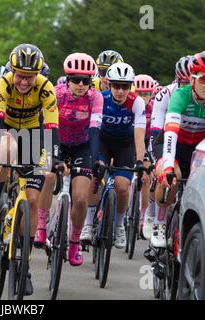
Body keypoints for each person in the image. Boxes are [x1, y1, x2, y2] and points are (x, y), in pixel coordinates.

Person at [0, 43, 60, 295]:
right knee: (4, 151)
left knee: (33, 200)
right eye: (20, 75)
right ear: (12, 71)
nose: (24, 81)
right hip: (5, 130)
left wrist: (54, 159)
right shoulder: (2, 84)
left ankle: (24, 266)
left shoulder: (46, 88)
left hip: (33, 134)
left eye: (29, 76)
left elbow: (51, 127)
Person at [35, 53, 103, 267]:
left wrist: (95, 159)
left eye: (86, 81)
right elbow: (46, 126)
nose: (81, 85)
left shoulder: (95, 98)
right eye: (76, 80)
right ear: (67, 79)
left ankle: (74, 242)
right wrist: (52, 156)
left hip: (81, 146)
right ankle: (41, 225)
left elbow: (94, 131)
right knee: (47, 175)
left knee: (81, 199)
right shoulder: (55, 94)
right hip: (56, 141)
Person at [152, 51, 205, 248]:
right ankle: (158, 223)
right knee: (173, 176)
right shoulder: (180, 96)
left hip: (198, 149)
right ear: (192, 79)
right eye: (204, 79)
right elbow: (170, 135)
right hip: (172, 144)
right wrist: (167, 166)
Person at [81, 62, 148, 249]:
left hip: (124, 145)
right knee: (96, 175)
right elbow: (91, 129)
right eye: (116, 86)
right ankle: (87, 223)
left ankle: (119, 225)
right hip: (102, 141)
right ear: (109, 85)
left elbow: (140, 134)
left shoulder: (137, 102)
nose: (120, 90)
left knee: (122, 186)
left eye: (125, 86)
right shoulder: (100, 99)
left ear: (130, 86)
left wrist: (140, 161)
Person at [146, 55, 192, 239]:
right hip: (165, 140)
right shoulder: (166, 94)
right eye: (183, 83)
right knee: (170, 176)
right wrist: (153, 160)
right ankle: (159, 223)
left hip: (191, 146)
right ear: (176, 80)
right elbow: (155, 132)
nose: (188, 89)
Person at [133, 74, 156, 238]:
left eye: (146, 94)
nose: (142, 97)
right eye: (139, 93)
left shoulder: (154, 108)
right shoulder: (130, 105)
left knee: (146, 178)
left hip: (146, 142)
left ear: (152, 95)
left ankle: (142, 215)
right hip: (128, 140)